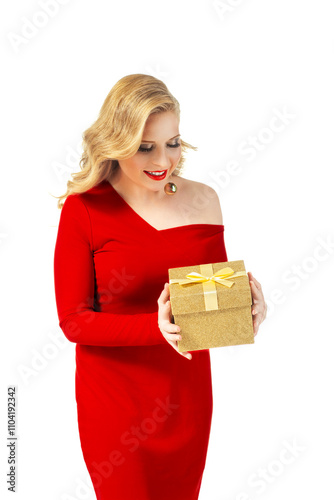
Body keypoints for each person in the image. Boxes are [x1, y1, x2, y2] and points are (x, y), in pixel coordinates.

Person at [53, 73, 267, 500]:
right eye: (145, 146)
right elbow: (74, 322)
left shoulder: (204, 199)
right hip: (115, 405)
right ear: (116, 142)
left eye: (172, 143)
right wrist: (156, 328)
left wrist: (246, 309)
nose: (162, 160)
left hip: (185, 402)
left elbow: (209, 306)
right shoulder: (86, 209)